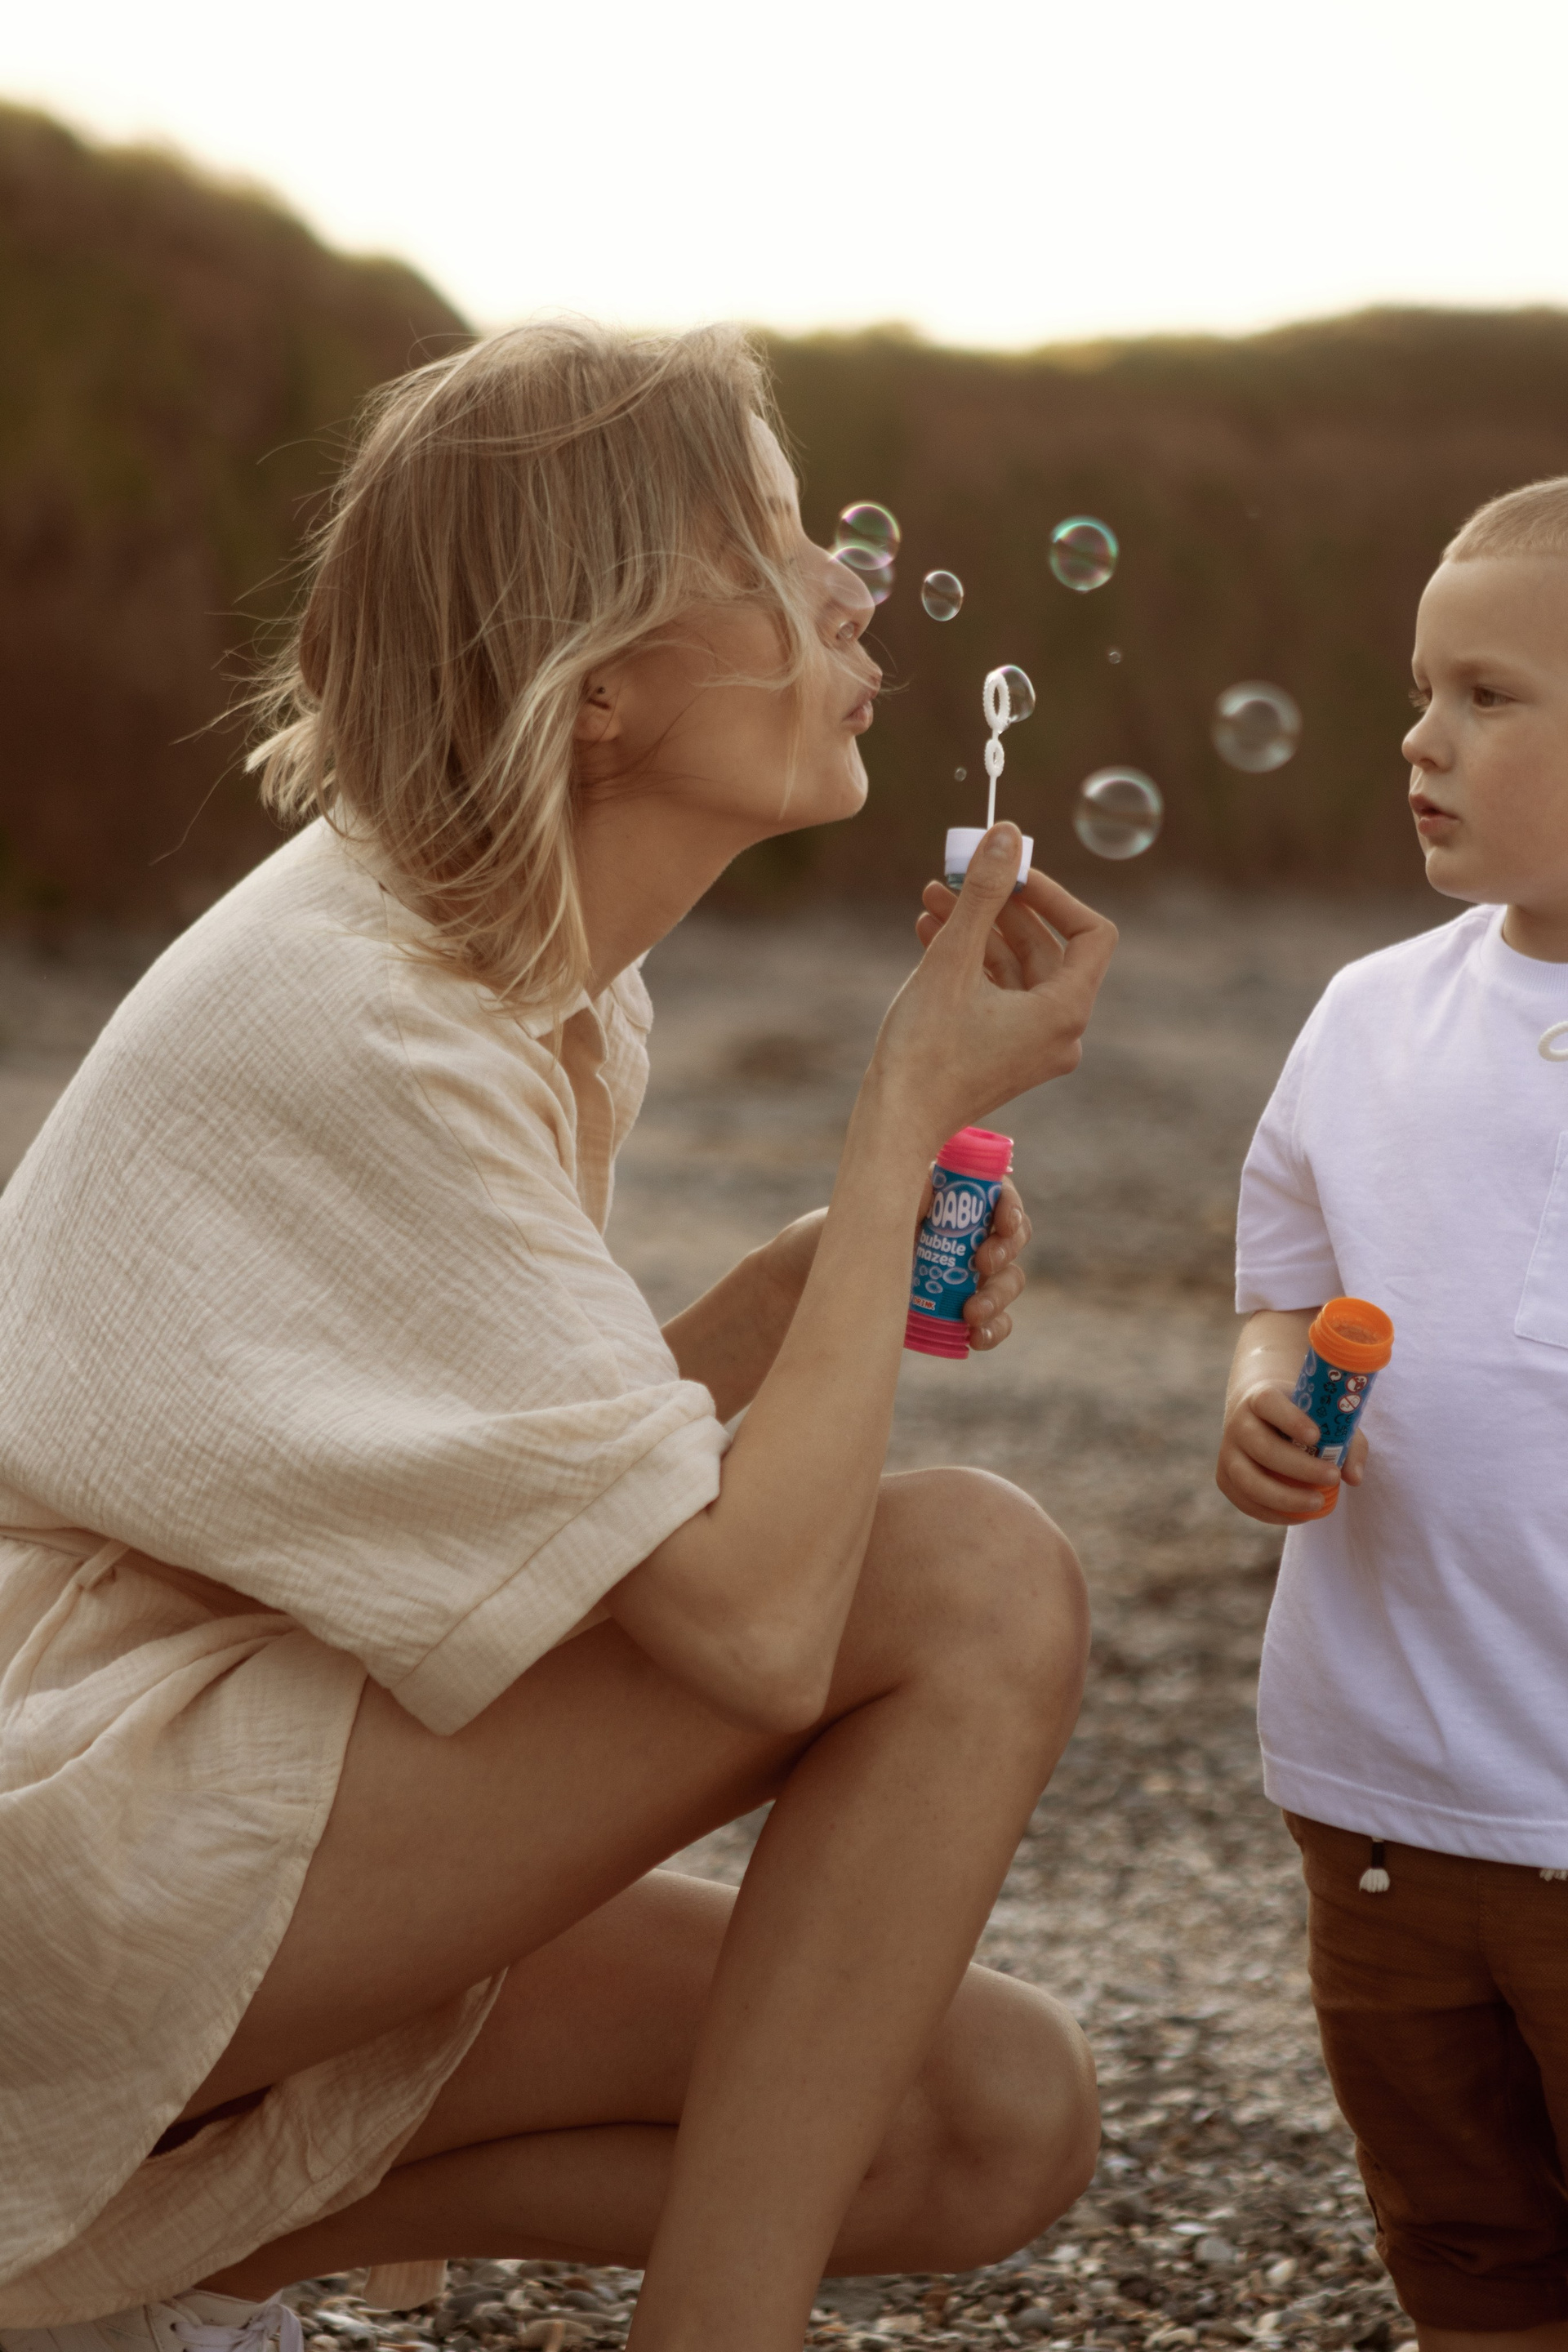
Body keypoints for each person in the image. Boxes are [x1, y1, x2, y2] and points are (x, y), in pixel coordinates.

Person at [0, 321, 1116, 2352]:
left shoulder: (520, 968)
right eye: (775, 545)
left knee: (988, 2116)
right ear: (599, 686)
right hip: (65, 1824)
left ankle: (153, 2252)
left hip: (215, 1796)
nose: (852, 590)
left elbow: (504, 1479)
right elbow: (751, 1632)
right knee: (971, 1573)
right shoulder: (370, 1017)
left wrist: (788, 1302)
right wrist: (900, 1126)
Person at [1216, 476, 1568, 2352]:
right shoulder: (1367, 1017)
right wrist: (1266, 1398)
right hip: (1379, 1794)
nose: (1422, 739)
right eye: (1422, 690)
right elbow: (1282, 1283)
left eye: (1489, 696)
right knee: (1462, 2233)